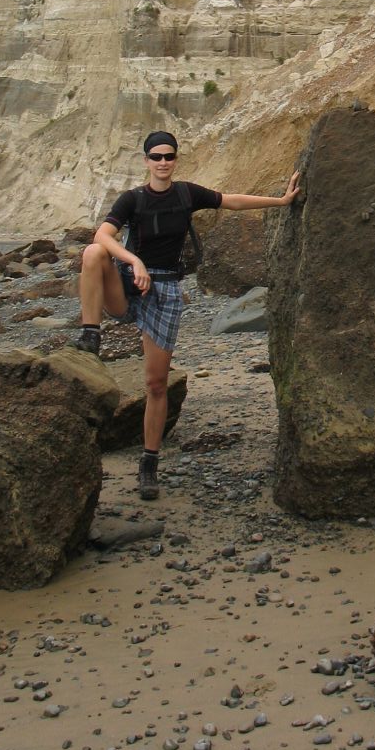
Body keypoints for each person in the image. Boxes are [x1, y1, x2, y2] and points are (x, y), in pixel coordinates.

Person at [77, 130, 299, 500]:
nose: (163, 162)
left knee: (156, 385)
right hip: (129, 285)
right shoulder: (132, 199)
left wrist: (281, 201)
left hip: (164, 293)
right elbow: (103, 236)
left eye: (169, 156)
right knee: (91, 255)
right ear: (145, 160)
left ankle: (149, 463)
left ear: (175, 159)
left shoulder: (186, 194)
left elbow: (231, 202)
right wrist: (133, 261)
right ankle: (90, 334)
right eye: (156, 157)